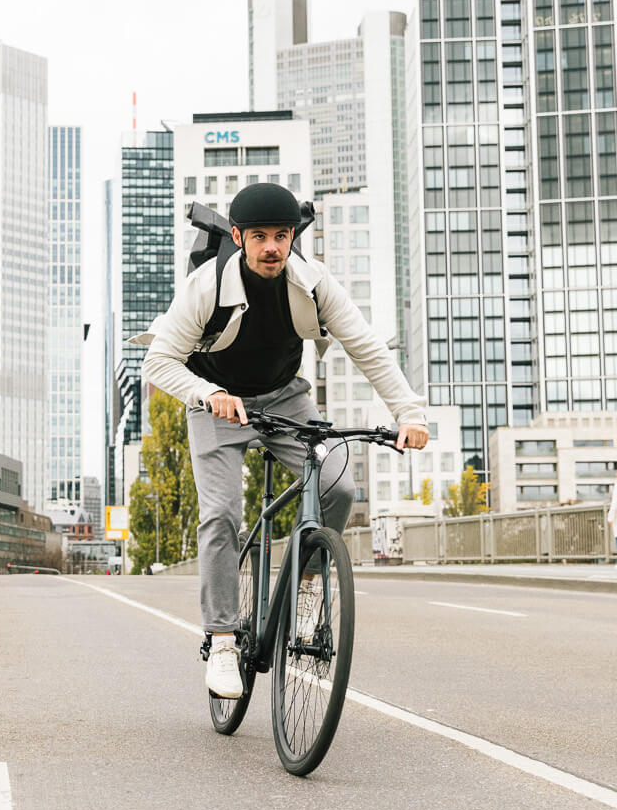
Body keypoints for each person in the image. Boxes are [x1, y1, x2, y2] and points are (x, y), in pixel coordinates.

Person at [136, 182, 428, 700]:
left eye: (281, 236)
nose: (272, 247)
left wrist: (408, 412)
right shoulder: (206, 287)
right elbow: (158, 361)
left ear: (293, 237)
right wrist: (209, 394)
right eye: (260, 237)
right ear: (238, 237)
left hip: (286, 398)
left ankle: (307, 586)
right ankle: (222, 641)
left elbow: (366, 347)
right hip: (218, 403)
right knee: (221, 514)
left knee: (338, 486)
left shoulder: (314, 283)